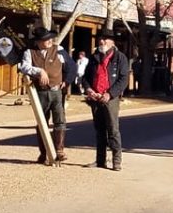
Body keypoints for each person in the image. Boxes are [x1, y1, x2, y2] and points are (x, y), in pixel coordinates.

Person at [18, 26, 77, 164]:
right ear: (38, 41)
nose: (49, 41)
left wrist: (67, 81)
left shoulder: (59, 50)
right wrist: (39, 71)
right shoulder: (29, 52)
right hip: (40, 92)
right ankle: (44, 153)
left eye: (50, 38)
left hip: (56, 91)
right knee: (42, 123)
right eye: (45, 39)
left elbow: (72, 66)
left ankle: (59, 151)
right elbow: (24, 67)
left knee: (60, 121)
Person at [82, 29, 129, 171]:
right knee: (99, 129)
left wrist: (110, 94)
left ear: (112, 41)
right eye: (100, 39)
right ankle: (100, 160)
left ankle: (116, 161)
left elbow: (123, 79)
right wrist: (89, 90)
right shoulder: (94, 57)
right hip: (95, 97)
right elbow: (85, 77)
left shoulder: (120, 57)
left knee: (113, 129)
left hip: (110, 98)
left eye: (105, 39)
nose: (102, 41)